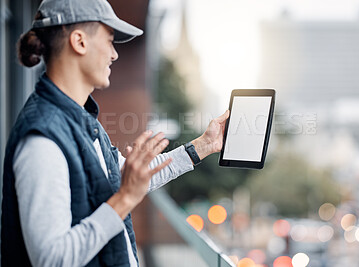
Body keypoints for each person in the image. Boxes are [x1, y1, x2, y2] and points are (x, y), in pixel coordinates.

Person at [1, 0, 230, 266]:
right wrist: (124, 200)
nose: (114, 54)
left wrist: (204, 145)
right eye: (109, 40)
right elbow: (52, 259)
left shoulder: (84, 122)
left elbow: (131, 180)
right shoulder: (43, 138)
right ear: (79, 42)